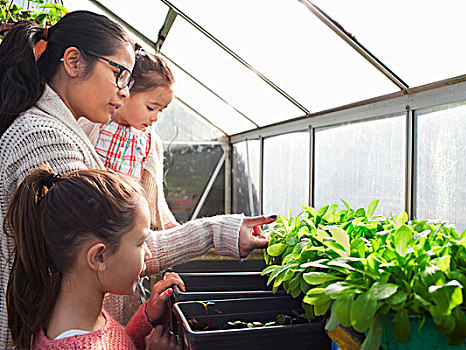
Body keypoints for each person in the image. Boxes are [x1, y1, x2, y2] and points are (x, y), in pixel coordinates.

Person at [0, 10, 275, 349]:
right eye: (119, 74)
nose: (123, 92)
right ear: (73, 61)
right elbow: (115, 246)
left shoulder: (55, 128)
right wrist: (217, 232)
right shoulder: (46, 138)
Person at [5, 168, 182, 349]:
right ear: (98, 257)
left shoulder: (77, 318)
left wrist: (148, 318)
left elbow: (117, 344)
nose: (148, 253)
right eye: (140, 243)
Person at [80, 46, 178, 231]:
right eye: (151, 107)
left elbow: (153, 191)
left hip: (125, 223)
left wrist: (166, 222)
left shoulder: (149, 140)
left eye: (160, 111)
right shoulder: (94, 123)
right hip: (89, 214)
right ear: (126, 91)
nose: (155, 117)